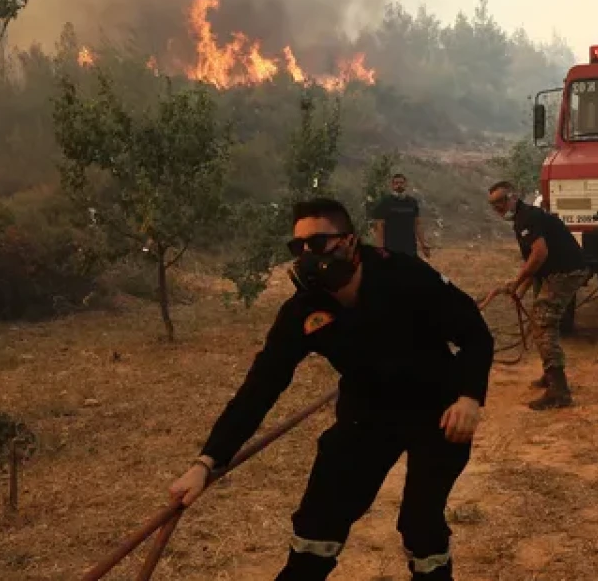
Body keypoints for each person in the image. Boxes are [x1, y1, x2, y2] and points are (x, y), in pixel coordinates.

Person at [168, 197, 494, 581]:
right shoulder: (304, 310)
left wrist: (469, 398)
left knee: (420, 522)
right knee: (320, 516)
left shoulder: (405, 275)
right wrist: (206, 462)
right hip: (367, 413)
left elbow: (476, 334)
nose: (308, 255)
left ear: (350, 241)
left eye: (318, 243)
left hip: (438, 409)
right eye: (299, 247)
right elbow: (260, 386)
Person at [485, 181, 588, 410]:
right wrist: (519, 290)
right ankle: (551, 375)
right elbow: (533, 261)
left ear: (513, 197)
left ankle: (559, 391)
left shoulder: (527, 218)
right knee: (541, 321)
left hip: (565, 271)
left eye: (501, 200)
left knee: (543, 323)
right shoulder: (522, 218)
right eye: (493, 203)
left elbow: (539, 254)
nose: (497, 207)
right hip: (553, 271)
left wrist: (517, 282)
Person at [370, 173, 432, 259]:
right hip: (391, 248)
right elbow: (379, 227)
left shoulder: (412, 202)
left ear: (405, 184)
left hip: (410, 248)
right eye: (396, 183)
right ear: (392, 185)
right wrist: (380, 248)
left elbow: (417, 224)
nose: (399, 185)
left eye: (401, 183)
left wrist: (423, 244)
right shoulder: (385, 202)